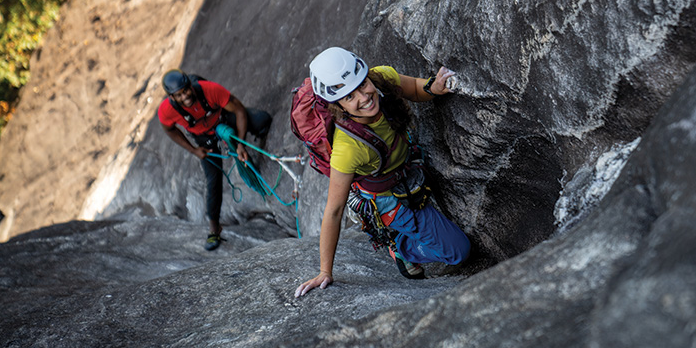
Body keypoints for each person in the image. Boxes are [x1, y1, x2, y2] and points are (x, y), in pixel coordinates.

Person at [295, 47, 470, 298]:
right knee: (458, 251)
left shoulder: (381, 78)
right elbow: (333, 211)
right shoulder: (347, 149)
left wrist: (435, 87)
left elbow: (415, 89)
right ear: (339, 106)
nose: (364, 97)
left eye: (362, 84)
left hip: (407, 169)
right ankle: (402, 248)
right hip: (386, 199)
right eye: (349, 97)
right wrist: (325, 271)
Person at [157, 69, 272, 250]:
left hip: (224, 119)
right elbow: (169, 130)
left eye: (186, 90)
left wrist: (241, 144)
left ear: (190, 85)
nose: (185, 96)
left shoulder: (209, 90)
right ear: (171, 97)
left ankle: (253, 138)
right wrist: (194, 150)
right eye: (178, 95)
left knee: (262, 120)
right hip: (204, 138)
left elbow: (239, 110)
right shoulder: (166, 111)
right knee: (213, 179)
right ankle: (213, 229)